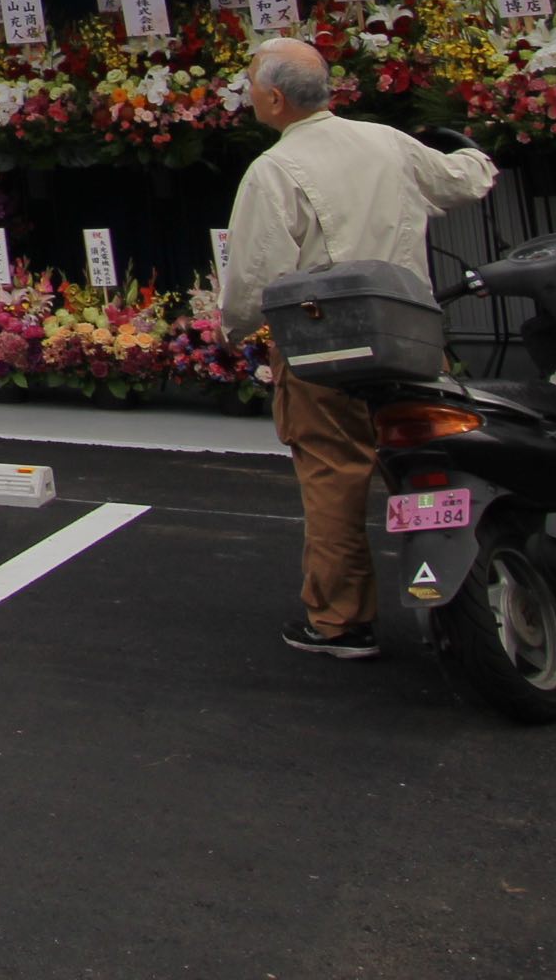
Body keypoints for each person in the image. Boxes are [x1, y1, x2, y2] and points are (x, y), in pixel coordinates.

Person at [219, 36, 496, 661]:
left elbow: (257, 279)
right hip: (411, 333)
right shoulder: (386, 141)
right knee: (428, 460)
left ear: (275, 99)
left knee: (334, 474)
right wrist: (473, 153)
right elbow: (463, 181)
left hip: (325, 346)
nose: (248, 94)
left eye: (251, 84)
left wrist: (232, 328)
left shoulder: (274, 170)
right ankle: (461, 599)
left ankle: (341, 621)